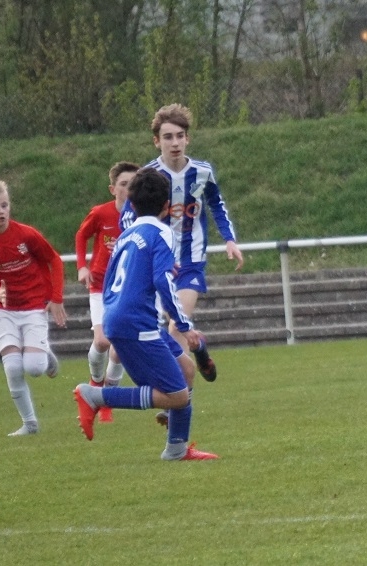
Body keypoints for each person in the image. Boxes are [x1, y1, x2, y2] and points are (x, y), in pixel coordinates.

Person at [74, 167, 218, 460]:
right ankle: (96, 396)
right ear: (167, 206)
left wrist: (113, 316)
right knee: (176, 396)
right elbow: (162, 281)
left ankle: (176, 448)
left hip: (127, 318)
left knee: (187, 370)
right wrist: (183, 324)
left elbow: (112, 279)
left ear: (132, 204)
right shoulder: (162, 232)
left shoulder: (126, 235)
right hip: (137, 323)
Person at [141, 103, 244, 382]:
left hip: (191, 260)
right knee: (164, 327)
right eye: (168, 137)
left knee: (177, 325)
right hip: (158, 262)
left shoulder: (202, 171)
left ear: (187, 138)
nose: (175, 143)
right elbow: (132, 216)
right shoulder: (148, 176)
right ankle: (198, 346)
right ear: (157, 141)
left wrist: (230, 240)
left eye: (179, 136)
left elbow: (216, 204)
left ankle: (179, 394)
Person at [0, 180, 67, 436]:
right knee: (13, 368)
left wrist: (56, 298)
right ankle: (30, 424)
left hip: (34, 305)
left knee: (34, 368)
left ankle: (45, 355)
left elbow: (54, 260)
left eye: (4, 205)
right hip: (4, 310)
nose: (1, 211)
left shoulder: (26, 235)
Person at [75, 161, 140, 423]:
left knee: (119, 348)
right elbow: (81, 236)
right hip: (100, 284)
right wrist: (82, 266)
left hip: (126, 287)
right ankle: (95, 381)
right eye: (124, 184)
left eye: (133, 184)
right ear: (113, 189)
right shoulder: (101, 213)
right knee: (102, 341)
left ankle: (108, 400)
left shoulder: (142, 216)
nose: (129, 189)